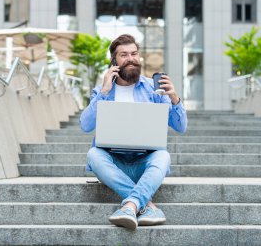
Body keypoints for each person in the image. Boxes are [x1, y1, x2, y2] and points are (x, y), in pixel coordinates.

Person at [80, 34, 188, 230]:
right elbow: (85, 125)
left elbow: (181, 127)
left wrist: (174, 97)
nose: (130, 58)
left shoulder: (154, 89)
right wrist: (104, 92)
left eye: (134, 53)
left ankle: (130, 205)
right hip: (114, 163)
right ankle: (146, 205)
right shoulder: (102, 90)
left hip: (143, 163)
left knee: (163, 156)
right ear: (114, 61)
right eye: (123, 55)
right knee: (93, 155)